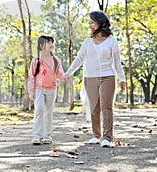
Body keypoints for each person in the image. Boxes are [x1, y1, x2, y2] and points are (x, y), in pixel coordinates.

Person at [64, 11, 126, 147]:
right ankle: (96, 135)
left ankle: (107, 138)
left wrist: (122, 78)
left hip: (107, 77)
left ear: (100, 22)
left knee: (106, 107)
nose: (90, 25)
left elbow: (117, 62)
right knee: (94, 108)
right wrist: (68, 73)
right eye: (89, 22)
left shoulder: (112, 41)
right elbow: (79, 59)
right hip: (90, 77)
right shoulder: (87, 43)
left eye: (92, 22)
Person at [28, 35, 65, 145]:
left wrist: (64, 77)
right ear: (41, 46)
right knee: (39, 109)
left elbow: (59, 73)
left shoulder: (56, 60)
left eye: (52, 42)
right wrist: (31, 91)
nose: (51, 44)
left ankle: (47, 136)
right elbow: (32, 76)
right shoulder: (36, 61)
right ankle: (36, 135)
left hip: (52, 89)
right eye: (48, 42)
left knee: (48, 112)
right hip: (39, 89)